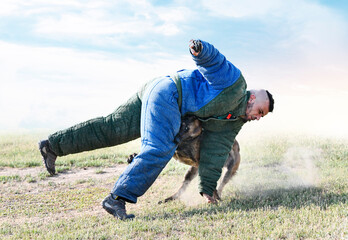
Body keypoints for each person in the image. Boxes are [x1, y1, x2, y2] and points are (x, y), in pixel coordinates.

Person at [39, 39, 274, 220]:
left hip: (157, 86)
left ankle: (52, 146)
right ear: (252, 97)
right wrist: (201, 50)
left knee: (112, 127)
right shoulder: (235, 84)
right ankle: (117, 198)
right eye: (260, 111)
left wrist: (207, 189)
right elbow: (217, 63)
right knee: (160, 148)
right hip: (170, 94)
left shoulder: (234, 122)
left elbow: (216, 151)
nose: (258, 118)